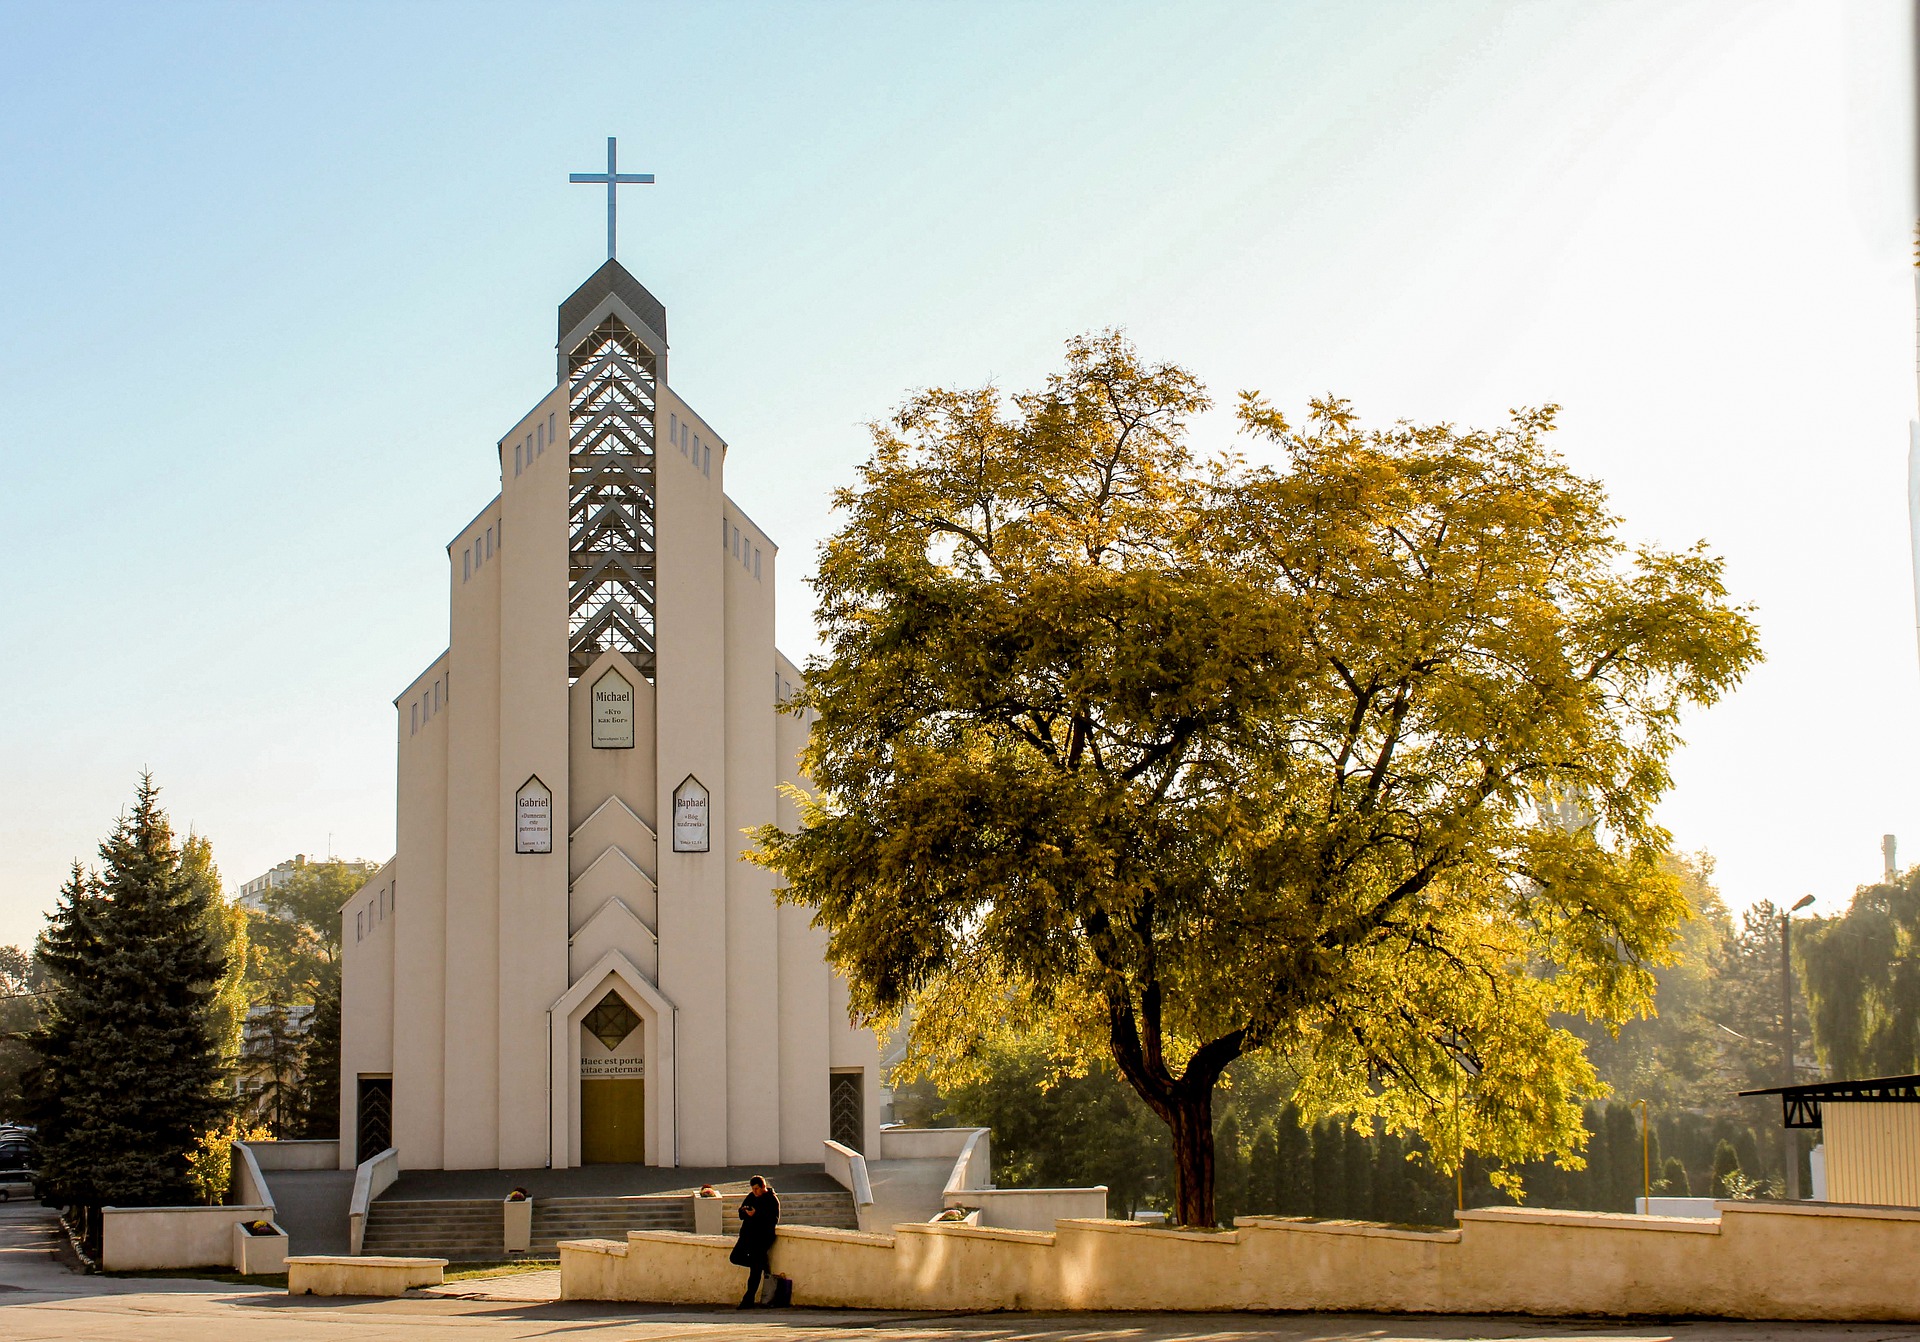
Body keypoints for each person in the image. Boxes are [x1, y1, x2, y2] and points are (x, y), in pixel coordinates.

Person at [732, 1175, 780, 1307]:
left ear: (763, 1187)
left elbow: (773, 1219)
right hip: (747, 1236)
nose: (755, 1192)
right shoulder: (751, 1196)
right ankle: (760, 1264)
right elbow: (741, 1213)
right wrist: (745, 1211)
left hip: (762, 1238)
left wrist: (756, 1214)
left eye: (757, 1189)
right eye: (753, 1189)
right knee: (735, 1257)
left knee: (754, 1272)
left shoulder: (772, 1200)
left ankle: (748, 1300)